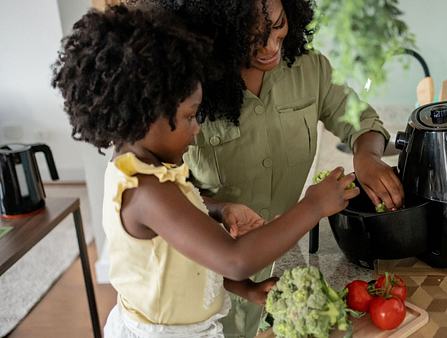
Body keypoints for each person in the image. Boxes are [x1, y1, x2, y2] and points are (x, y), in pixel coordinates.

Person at [51, 5, 359, 338]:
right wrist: (314, 205)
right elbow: (234, 258)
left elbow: (183, 260)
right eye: (189, 116)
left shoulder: (149, 172)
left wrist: (244, 285)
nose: (197, 129)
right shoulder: (147, 191)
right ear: (145, 117)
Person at [127, 0, 406, 336]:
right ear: (216, 32)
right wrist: (309, 206)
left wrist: (367, 156)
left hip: (257, 279)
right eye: (253, 38)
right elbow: (175, 191)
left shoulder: (309, 68)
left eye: (279, 26)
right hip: (202, 275)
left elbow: (361, 118)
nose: (271, 46)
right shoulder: (184, 90)